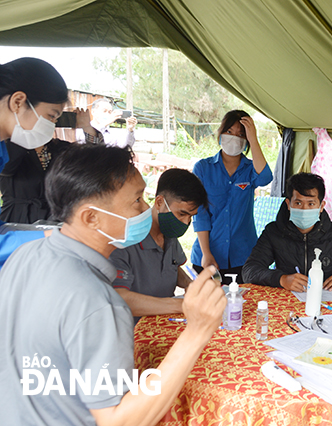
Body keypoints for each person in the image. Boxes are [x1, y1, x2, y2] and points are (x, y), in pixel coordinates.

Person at [0, 144, 226, 425]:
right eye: (137, 201)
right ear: (91, 217)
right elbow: (118, 419)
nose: (146, 210)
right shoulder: (99, 303)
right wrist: (197, 331)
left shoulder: (25, 255)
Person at [110, 168, 209, 323]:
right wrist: (180, 305)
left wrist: (189, 284)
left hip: (163, 323)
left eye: (191, 217)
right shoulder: (125, 240)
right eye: (182, 214)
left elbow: (173, 267)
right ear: (159, 202)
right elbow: (120, 298)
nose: (185, 223)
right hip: (134, 331)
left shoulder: (169, 234)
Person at [0, 57, 70, 266]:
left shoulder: (3, 150)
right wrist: (53, 237)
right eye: (50, 116)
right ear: (18, 102)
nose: (51, 126)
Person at [191, 109, 273, 283]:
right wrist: (206, 253)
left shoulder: (251, 170)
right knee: (207, 306)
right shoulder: (203, 168)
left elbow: (266, 178)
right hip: (208, 254)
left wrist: (254, 138)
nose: (234, 137)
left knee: (242, 305)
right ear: (220, 134)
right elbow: (200, 214)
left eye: (241, 134)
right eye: (229, 132)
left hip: (243, 256)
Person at [243, 172, 332, 291]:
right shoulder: (274, 232)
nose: (304, 209)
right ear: (288, 204)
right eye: (298, 203)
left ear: (321, 206)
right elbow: (249, 271)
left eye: (311, 204)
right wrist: (281, 279)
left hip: (326, 301)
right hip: (286, 302)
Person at [0, 138, 70, 223]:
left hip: (54, 216)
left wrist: (86, 127)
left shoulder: (59, 148)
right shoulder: (8, 149)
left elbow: (87, 160)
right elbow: (6, 168)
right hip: (18, 217)